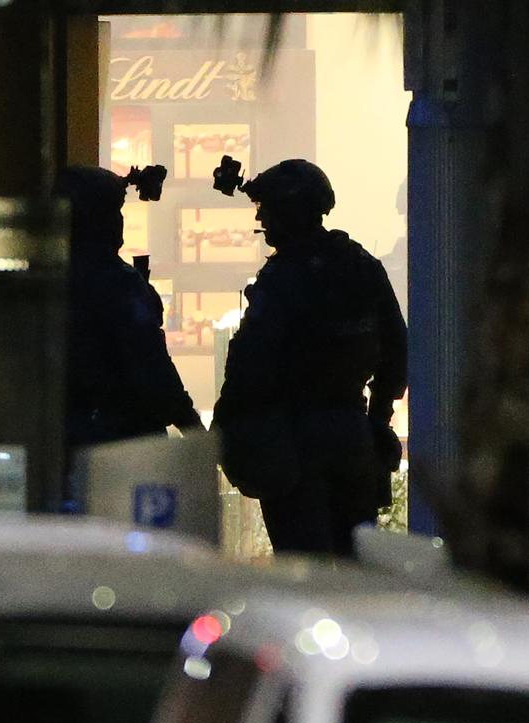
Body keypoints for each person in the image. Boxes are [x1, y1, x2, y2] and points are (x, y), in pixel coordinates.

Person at [212, 159, 407, 557]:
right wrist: (377, 419)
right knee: (355, 565)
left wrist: (227, 428)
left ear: (291, 211)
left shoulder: (282, 279)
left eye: (269, 209)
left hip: (293, 444)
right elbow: (397, 348)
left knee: (303, 569)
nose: (263, 218)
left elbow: (251, 365)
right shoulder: (361, 266)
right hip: (353, 437)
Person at [56, 165, 204, 467]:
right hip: (121, 443)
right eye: (113, 213)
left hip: (65, 441)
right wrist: (192, 427)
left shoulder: (48, 278)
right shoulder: (117, 283)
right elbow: (151, 365)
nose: (119, 222)